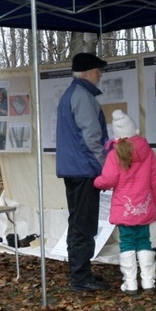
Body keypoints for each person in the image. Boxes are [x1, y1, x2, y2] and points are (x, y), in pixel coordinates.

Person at [56, 52, 110, 292]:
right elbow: (91, 138)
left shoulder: (73, 94)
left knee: (78, 223)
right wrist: (104, 170)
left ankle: (80, 273)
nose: (100, 75)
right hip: (84, 170)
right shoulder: (82, 96)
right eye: (98, 70)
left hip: (75, 169)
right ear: (88, 72)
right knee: (83, 225)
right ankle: (80, 277)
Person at [94, 110, 156, 295]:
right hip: (144, 205)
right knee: (144, 240)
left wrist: (96, 182)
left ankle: (130, 283)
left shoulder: (114, 155)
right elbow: (155, 179)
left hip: (124, 208)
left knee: (126, 242)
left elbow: (107, 179)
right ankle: (148, 281)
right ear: (135, 130)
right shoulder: (148, 152)